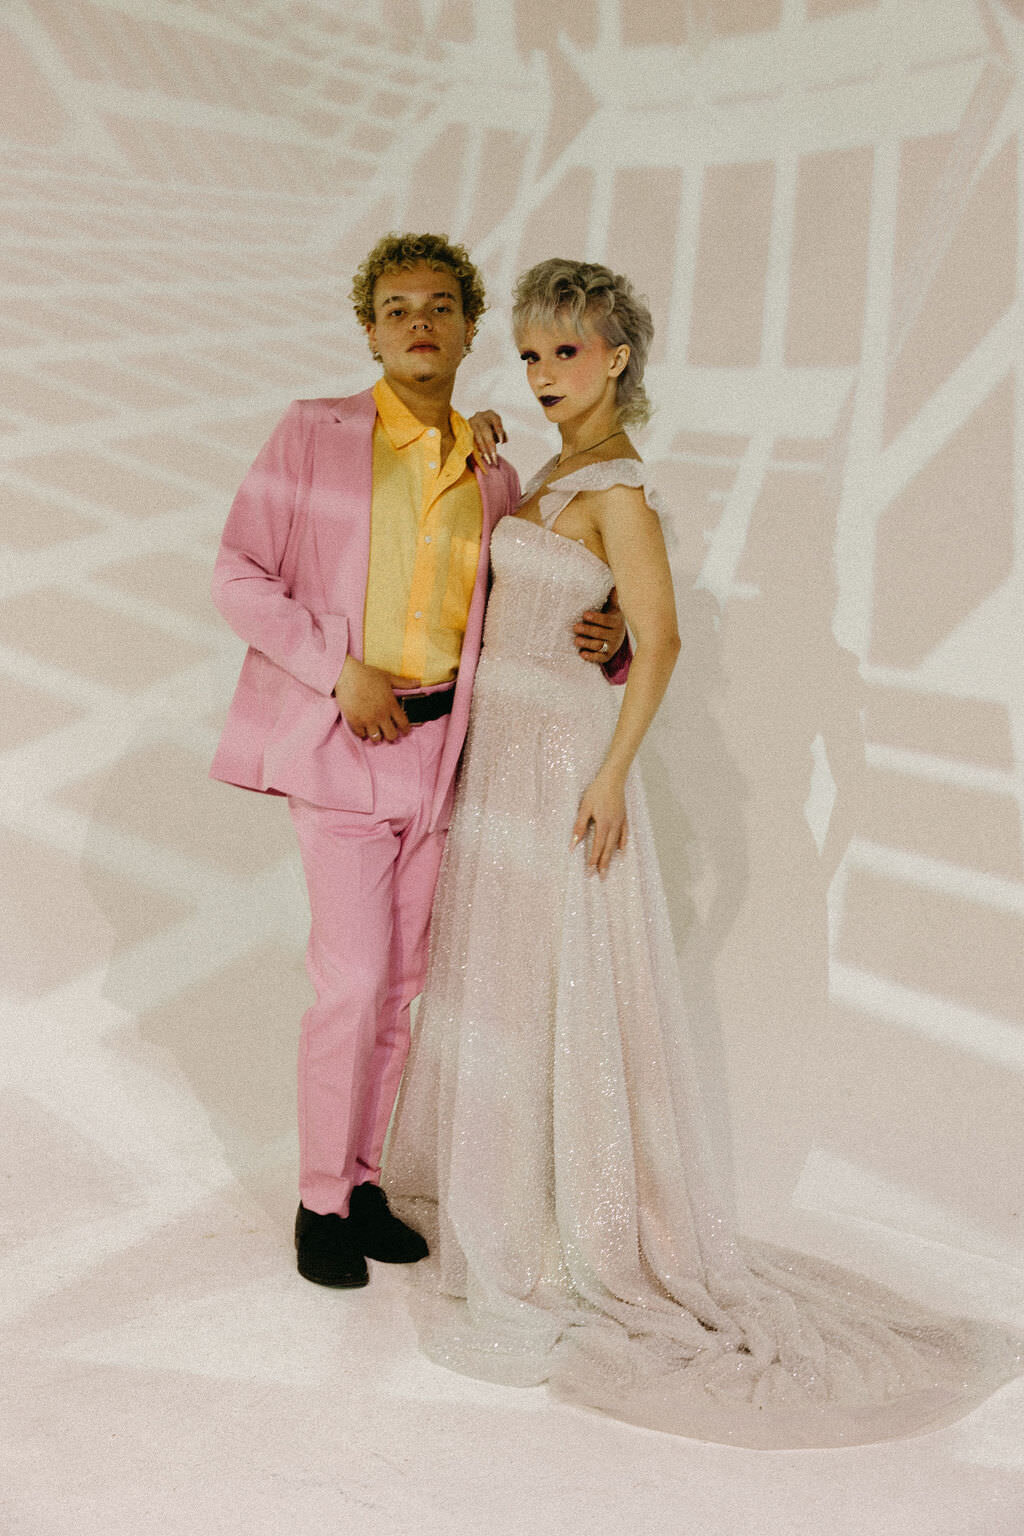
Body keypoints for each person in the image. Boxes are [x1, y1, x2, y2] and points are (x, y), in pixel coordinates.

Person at [384, 258, 1021, 1448]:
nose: (542, 374)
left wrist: (613, 771)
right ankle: (496, 1198)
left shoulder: (619, 486)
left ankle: (570, 1226)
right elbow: (565, 612)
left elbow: (663, 642)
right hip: (501, 758)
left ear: (617, 356)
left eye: (564, 352)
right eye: (528, 354)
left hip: (561, 765)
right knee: (498, 984)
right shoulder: (547, 475)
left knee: (552, 984)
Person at [209, 234, 628, 1290]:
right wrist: (334, 668)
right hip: (343, 741)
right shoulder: (313, 435)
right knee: (347, 983)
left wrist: (610, 638)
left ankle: (361, 1184)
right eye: (396, 307)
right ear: (370, 328)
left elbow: (533, 600)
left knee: (398, 987)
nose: (418, 323)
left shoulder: (492, 469)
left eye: (439, 305)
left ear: (468, 326)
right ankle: (315, 1201)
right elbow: (238, 575)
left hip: (447, 757)